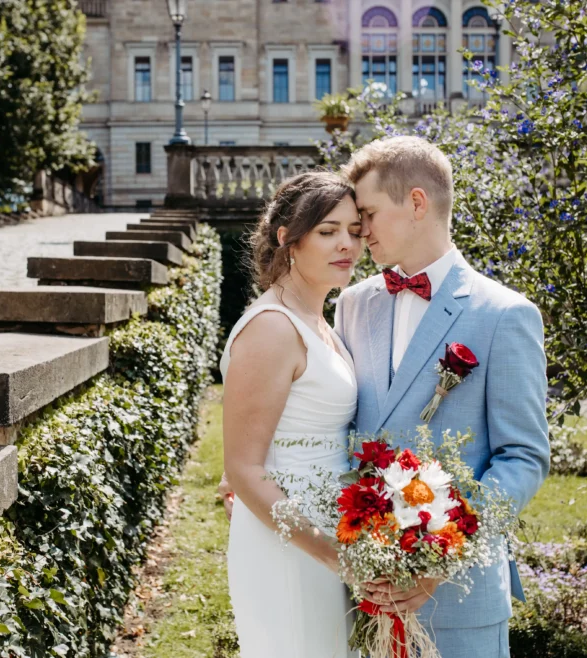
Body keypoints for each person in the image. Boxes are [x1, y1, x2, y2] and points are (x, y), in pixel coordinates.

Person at [221, 136, 550, 658]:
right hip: (359, 591)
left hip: (457, 599)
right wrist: (250, 471)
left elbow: (524, 457)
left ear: (417, 203)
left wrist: (440, 559)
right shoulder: (352, 303)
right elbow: (324, 413)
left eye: (366, 216)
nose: (359, 235)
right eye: (341, 227)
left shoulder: (503, 314)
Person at [221, 171, 363, 658]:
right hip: (293, 542)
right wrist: (331, 553)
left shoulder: (318, 321)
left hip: (328, 533)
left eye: (354, 230)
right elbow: (243, 469)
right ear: (288, 240)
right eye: (327, 231)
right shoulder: (273, 329)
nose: (346, 243)